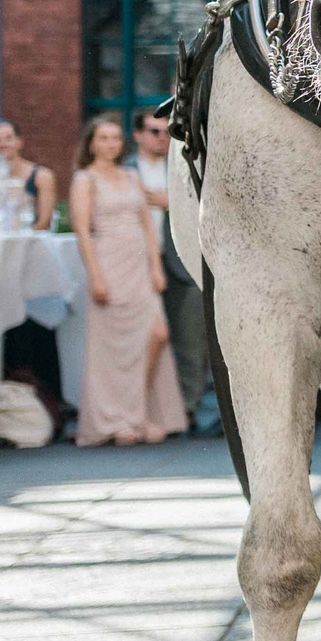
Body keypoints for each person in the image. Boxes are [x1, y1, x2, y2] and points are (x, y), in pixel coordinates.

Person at [70, 114, 186, 446]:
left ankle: (136, 412)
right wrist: (96, 277)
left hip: (139, 268)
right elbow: (81, 230)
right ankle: (118, 419)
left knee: (158, 334)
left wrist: (156, 268)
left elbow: (148, 226)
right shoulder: (85, 179)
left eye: (115, 138)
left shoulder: (131, 176)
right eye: (104, 138)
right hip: (108, 264)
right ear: (92, 142)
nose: (110, 144)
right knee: (113, 349)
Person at [131, 105, 210, 432]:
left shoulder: (182, 167)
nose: (162, 138)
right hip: (134, 266)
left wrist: (169, 200)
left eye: (166, 132)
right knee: (140, 341)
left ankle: (186, 410)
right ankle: (141, 409)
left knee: (190, 342)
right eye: (154, 131)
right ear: (137, 135)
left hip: (181, 263)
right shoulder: (124, 171)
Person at [0, 120, 57, 230]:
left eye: (9, 138)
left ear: (19, 142)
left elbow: (44, 221)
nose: (3, 144)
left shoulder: (41, 176)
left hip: (29, 242)